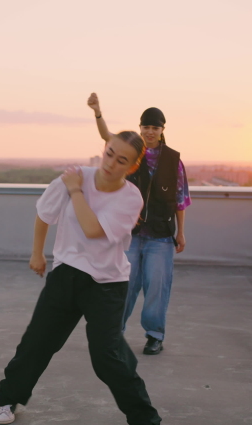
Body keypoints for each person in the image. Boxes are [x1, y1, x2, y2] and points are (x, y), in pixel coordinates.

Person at [0, 131, 162, 425]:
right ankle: (9, 399)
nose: (111, 163)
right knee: (37, 342)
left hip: (108, 283)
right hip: (67, 274)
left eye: (121, 160)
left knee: (106, 356)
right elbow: (44, 215)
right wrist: (37, 253)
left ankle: (145, 424)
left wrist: (76, 192)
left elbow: (93, 229)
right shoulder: (73, 178)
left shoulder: (130, 198)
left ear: (133, 165)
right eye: (109, 153)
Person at [88, 93, 191, 355]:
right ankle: (114, 333)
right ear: (140, 128)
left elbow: (180, 199)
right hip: (131, 235)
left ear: (162, 130)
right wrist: (98, 112)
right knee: (124, 285)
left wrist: (181, 234)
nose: (149, 132)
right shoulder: (133, 154)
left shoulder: (173, 160)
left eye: (154, 127)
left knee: (157, 288)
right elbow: (107, 137)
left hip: (160, 237)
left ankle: (154, 335)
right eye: (145, 127)